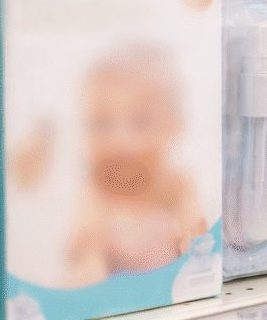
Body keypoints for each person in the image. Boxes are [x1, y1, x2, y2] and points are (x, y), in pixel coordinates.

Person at [66, 44, 206, 287]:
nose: (120, 139)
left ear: (172, 127)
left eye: (140, 123)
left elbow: (196, 235)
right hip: (116, 289)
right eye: (102, 124)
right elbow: (78, 248)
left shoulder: (175, 184)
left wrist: (188, 236)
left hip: (168, 288)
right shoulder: (98, 192)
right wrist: (91, 255)